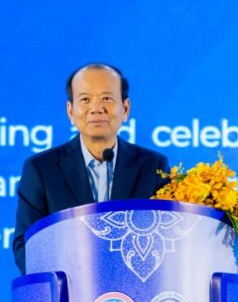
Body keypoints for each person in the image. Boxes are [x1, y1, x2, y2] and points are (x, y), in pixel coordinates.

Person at [12, 63, 170, 274]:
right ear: (71, 111)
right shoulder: (41, 169)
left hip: (137, 288)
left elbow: (166, 241)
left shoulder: (153, 166)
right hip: (69, 292)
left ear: (125, 109)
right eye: (85, 99)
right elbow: (26, 245)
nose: (96, 108)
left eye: (107, 98)